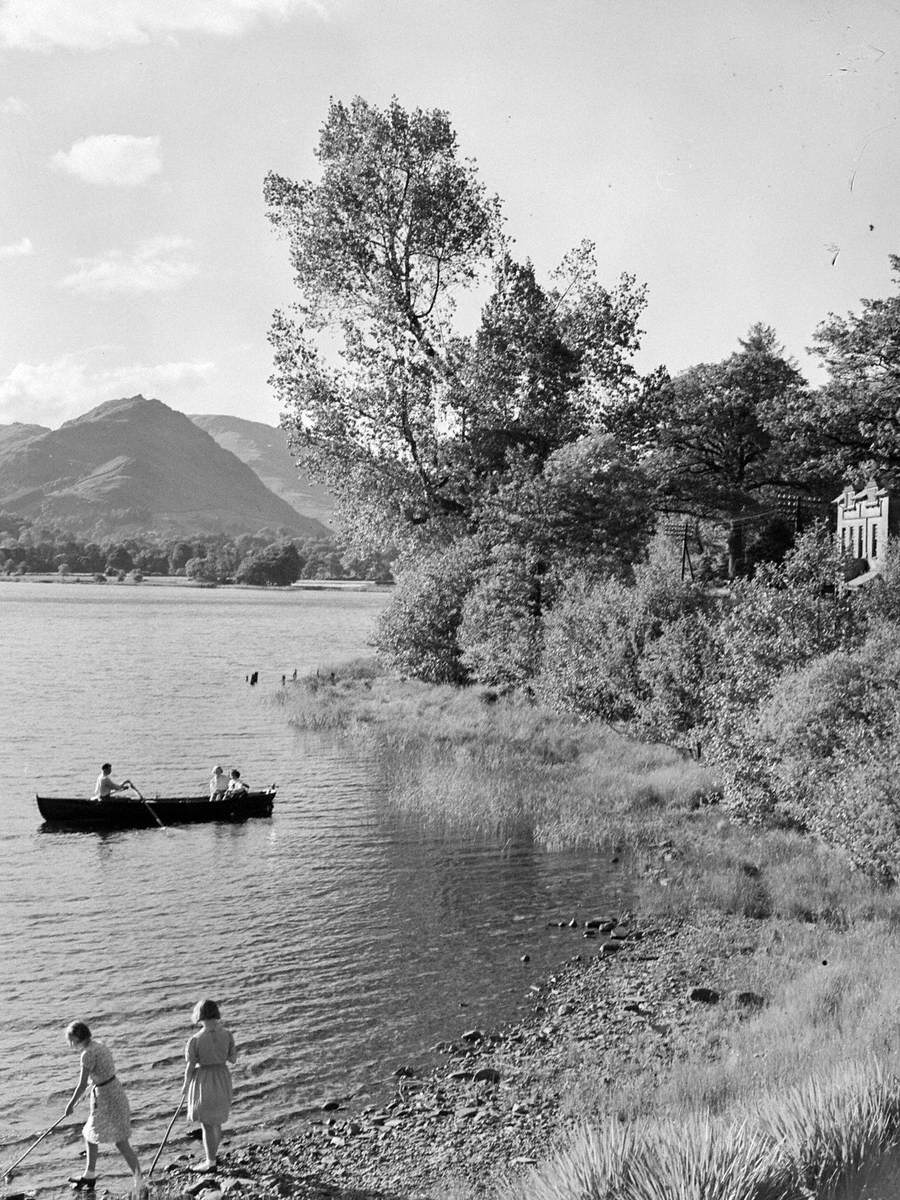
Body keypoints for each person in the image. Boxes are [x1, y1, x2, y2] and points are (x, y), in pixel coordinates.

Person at [63, 1021, 142, 1196]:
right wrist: (94, 1085)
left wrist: (70, 1104)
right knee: (91, 1134)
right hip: (113, 1091)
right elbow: (101, 1073)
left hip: (107, 1098)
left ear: (76, 1038)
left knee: (120, 1141)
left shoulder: (87, 1054)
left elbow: (82, 1084)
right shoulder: (99, 1045)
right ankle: (90, 1175)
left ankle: (139, 1180)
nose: (70, 1043)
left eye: (70, 1039)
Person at [182, 999, 237, 1173]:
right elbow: (233, 1059)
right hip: (222, 1077)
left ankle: (210, 1161)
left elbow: (190, 1067)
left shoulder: (195, 1040)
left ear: (199, 1016)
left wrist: (185, 1086)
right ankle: (213, 1156)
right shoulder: (227, 1034)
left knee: (206, 1124)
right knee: (217, 1120)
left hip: (204, 1079)